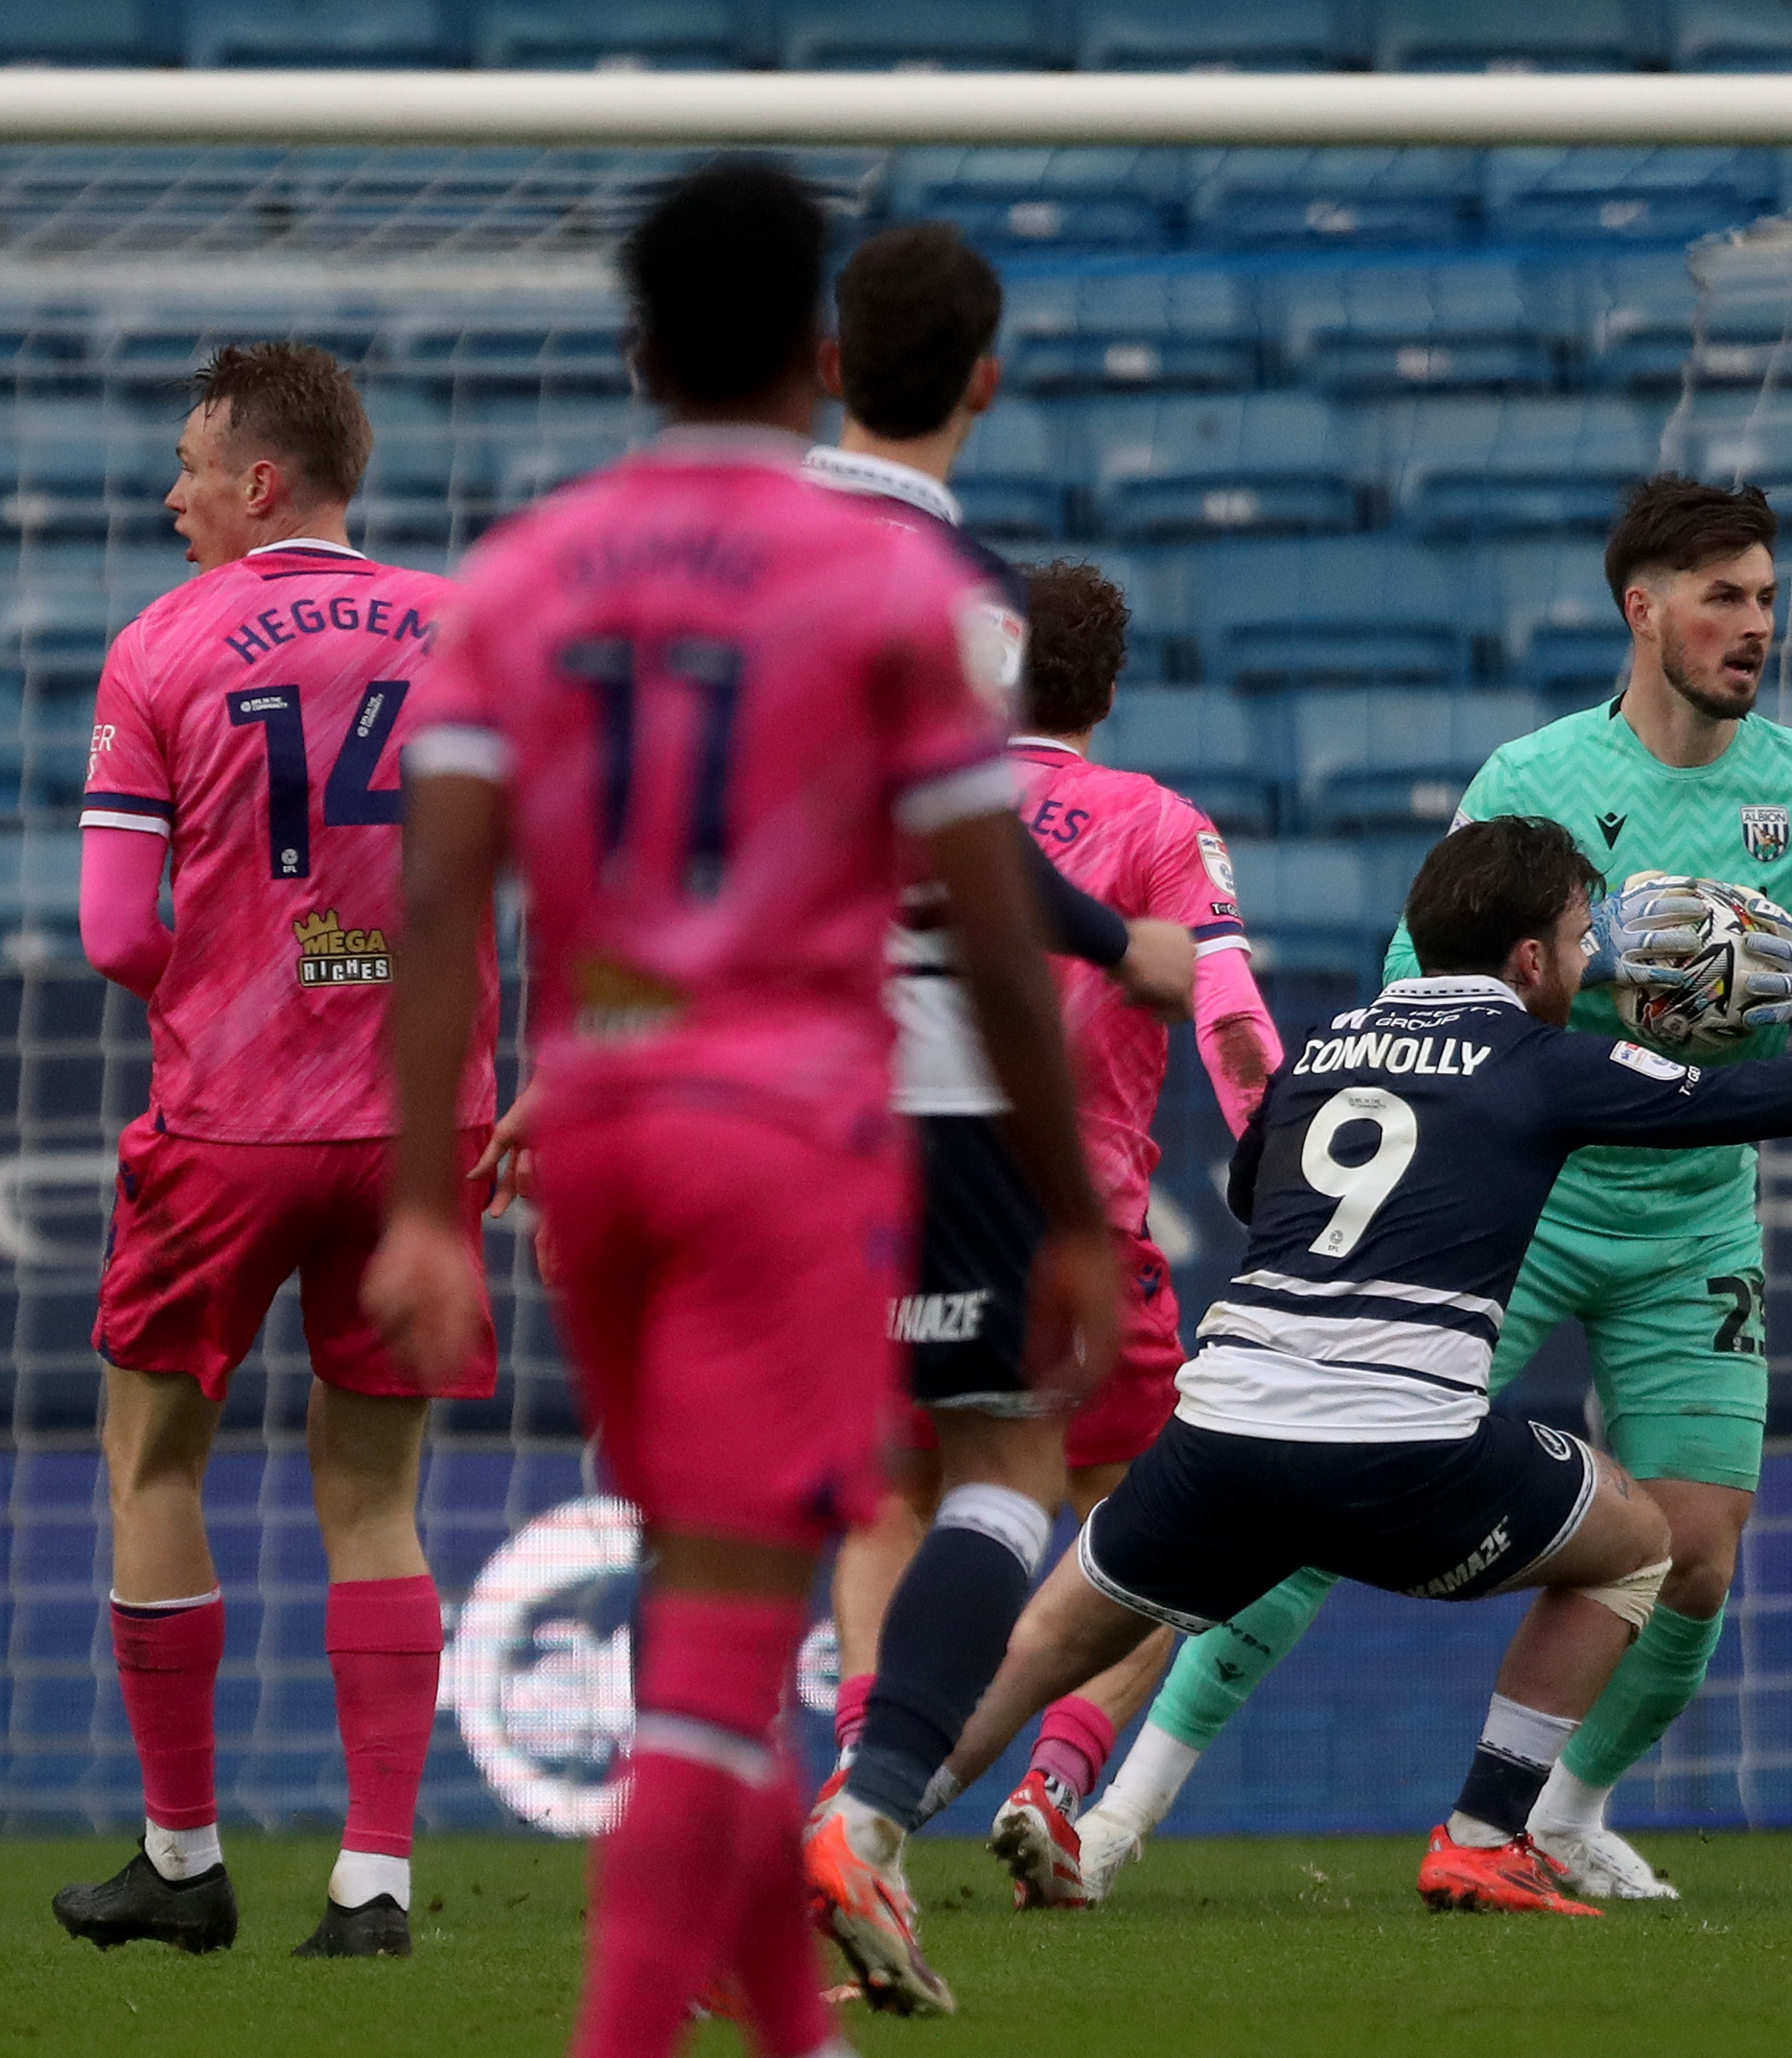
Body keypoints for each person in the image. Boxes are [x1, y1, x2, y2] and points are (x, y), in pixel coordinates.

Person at [363, 159, 1114, 2058]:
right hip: (787, 1112)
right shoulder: (888, 579)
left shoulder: (528, 562)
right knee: (724, 1621)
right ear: (813, 351)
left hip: (600, 1110)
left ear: (634, 347)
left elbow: (438, 894)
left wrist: (427, 1205)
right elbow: (990, 912)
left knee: (709, 1554)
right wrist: (1080, 1203)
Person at [880, 815, 1792, 1947]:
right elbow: (1751, 1098)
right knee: (1645, 1540)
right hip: (1405, 1456)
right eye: (1580, 932)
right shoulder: (1541, 1059)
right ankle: (1486, 1833)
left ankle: (858, 1825)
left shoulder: (1329, 1045)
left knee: (1035, 1648)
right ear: (1527, 956)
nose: (1593, 952)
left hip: (1219, 1438)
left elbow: (1253, 1196)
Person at [1076, 475, 1792, 1903]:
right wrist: (1587, 1009)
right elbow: (1427, 993)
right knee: (1310, 1504)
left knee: (1698, 1555)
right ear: (1638, 609)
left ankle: (1557, 1810)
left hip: (1689, 1219)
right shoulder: (1528, 785)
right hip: (1514, 1206)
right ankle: (1121, 1812)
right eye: (1722, 596)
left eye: (1767, 598)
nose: (1753, 626)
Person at [54, 340, 500, 1961]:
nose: (169, 494)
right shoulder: (472, 630)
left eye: (189, 464)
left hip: (232, 1120)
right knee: (374, 1496)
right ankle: (372, 1886)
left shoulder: (160, 642)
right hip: (421, 1121)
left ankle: (183, 1862)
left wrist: (261, 982)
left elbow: (114, 931)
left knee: (150, 1460)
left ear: (260, 482)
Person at [784, 226, 1205, 1858]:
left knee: (772, 1493)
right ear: (986, 381)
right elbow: (962, 836)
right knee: (1009, 1464)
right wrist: (1126, 944)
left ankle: (747, 1851)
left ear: (829, 366)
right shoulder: (950, 599)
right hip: (926, 1088)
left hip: (728, 1077)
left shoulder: (717, 556)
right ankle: (877, 1810)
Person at [972, 560, 1282, 1904]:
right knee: (1157, 1538)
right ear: (1107, 686)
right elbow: (1222, 1004)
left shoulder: (909, 810)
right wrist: (1282, 1155)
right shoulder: (1155, 820)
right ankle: (1053, 1778)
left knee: (895, 1524)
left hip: (898, 1231)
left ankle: (853, 1798)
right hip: (1080, 1237)